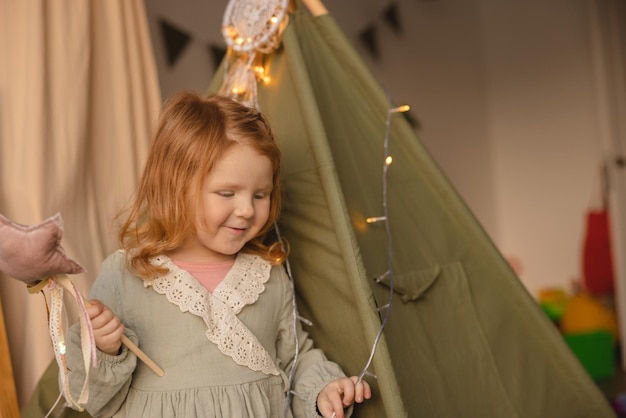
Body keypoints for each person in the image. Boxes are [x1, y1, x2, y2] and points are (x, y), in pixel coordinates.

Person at [64, 91, 371, 418]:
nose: (246, 210)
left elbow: (294, 359)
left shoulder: (268, 276)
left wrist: (322, 391)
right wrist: (104, 348)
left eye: (260, 194)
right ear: (177, 187)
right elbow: (89, 400)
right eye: (227, 193)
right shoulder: (126, 275)